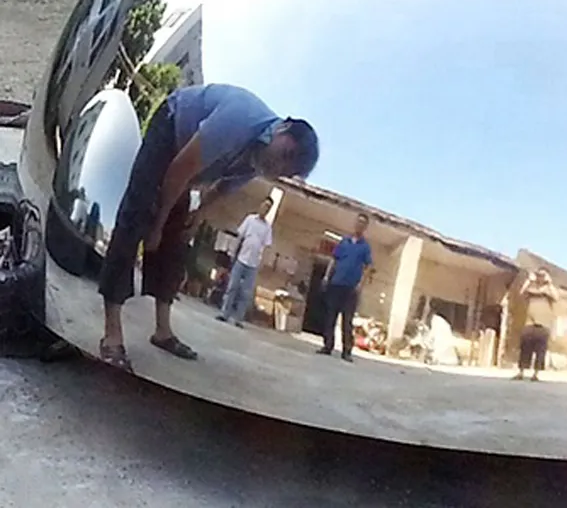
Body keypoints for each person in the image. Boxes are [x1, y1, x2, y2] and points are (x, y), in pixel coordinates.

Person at [96, 83, 319, 373]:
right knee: (137, 213)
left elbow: (221, 189)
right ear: (283, 127)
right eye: (286, 154)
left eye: (286, 171)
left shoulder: (257, 161)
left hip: (189, 166)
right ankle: (112, 334)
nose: (278, 166)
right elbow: (178, 170)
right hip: (172, 126)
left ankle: (162, 331)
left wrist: (198, 215)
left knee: (179, 236)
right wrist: (157, 225)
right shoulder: (240, 118)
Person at [316, 212, 374, 362]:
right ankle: (327, 346)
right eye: (358, 221)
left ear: (365, 227)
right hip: (336, 283)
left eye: (363, 223)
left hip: (351, 288)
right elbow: (333, 260)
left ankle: (347, 351)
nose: (359, 225)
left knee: (347, 320)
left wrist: (361, 285)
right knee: (330, 316)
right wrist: (327, 276)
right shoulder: (344, 242)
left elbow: (368, 267)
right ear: (355, 223)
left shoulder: (365, 247)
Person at [215, 197, 275, 327]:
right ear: (260, 205)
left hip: (253, 264)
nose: (265, 209)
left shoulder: (267, 228)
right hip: (241, 259)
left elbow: (267, 246)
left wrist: (262, 262)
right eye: (265, 205)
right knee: (232, 287)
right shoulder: (250, 219)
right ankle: (224, 314)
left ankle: (238, 319)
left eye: (268, 207)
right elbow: (240, 236)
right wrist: (233, 252)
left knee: (245, 292)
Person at [514, 267, 559, 382]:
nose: (540, 277)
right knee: (525, 349)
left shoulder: (548, 290)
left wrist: (550, 283)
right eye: (539, 275)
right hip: (529, 323)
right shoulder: (532, 289)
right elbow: (521, 293)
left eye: (543, 275)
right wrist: (528, 281)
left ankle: (536, 374)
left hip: (543, 325)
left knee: (540, 351)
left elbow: (556, 297)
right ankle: (521, 372)